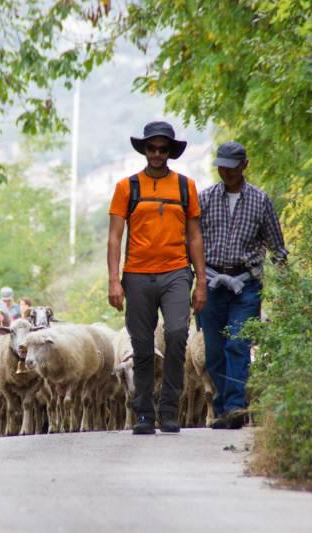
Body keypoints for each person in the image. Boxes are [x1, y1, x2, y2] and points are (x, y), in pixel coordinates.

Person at [107, 121, 206, 435]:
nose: (157, 154)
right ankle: (144, 412)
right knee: (142, 346)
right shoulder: (127, 187)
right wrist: (113, 280)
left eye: (163, 149)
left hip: (177, 271)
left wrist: (201, 280)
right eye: (152, 148)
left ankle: (169, 408)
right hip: (137, 275)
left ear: (170, 152)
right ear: (144, 150)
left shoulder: (184, 186)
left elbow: (194, 237)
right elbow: (114, 237)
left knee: (177, 334)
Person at [198, 141, 288, 430]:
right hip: (211, 282)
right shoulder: (206, 199)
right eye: (222, 166)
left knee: (238, 343)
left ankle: (236, 407)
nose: (226, 171)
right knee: (213, 349)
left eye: (231, 166)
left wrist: (289, 286)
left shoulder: (260, 201)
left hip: (246, 285)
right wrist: (195, 279)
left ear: (244, 165)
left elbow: (277, 246)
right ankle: (223, 405)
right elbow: (191, 240)